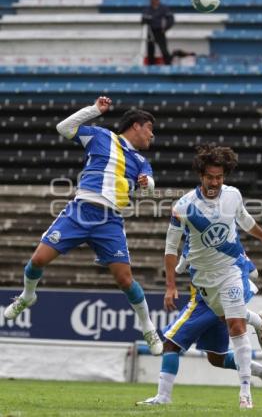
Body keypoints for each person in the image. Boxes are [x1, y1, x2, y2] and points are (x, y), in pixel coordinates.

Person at [4, 96, 163, 356]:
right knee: (37, 260)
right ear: (136, 125)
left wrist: (148, 184)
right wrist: (93, 110)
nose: (152, 135)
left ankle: (148, 327)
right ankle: (27, 296)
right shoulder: (100, 136)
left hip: (110, 220)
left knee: (125, 279)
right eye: (150, 129)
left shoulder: (141, 162)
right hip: (80, 210)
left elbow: (149, 188)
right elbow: (63, 128)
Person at [158, 144, 262, 408]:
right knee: (216, 354)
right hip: (203, 280)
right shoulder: (184, 207)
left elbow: (245, 220)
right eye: (210, 176)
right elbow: (170, 248)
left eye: (219, 177)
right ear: (201, 175)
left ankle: (245, 394)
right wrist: (170, 286)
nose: (215, 182)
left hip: (231, 270)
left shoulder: (233, 195)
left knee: (235, 325)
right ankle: (259, 323)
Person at [137, 262, 262, 405]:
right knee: (216, 357)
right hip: (219, 298)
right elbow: (253, 272)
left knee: (171, 344)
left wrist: (171, 286)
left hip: (203, 301)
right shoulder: (230, 243)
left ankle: (163, 397)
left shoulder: (198, 241)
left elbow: (179, 265)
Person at [142, 0, 174, 65]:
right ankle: (150, 66)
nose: (152, 2)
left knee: (164, 49)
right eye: (151, 1)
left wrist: (165, 28)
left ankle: (168, 64)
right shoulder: (147, 9)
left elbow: (171, 19)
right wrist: (146, 20)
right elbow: (143, 20)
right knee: (150, 49)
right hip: (150, 31)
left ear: (157, 0)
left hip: (160, 31)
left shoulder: (163, 8)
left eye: (154, 0)